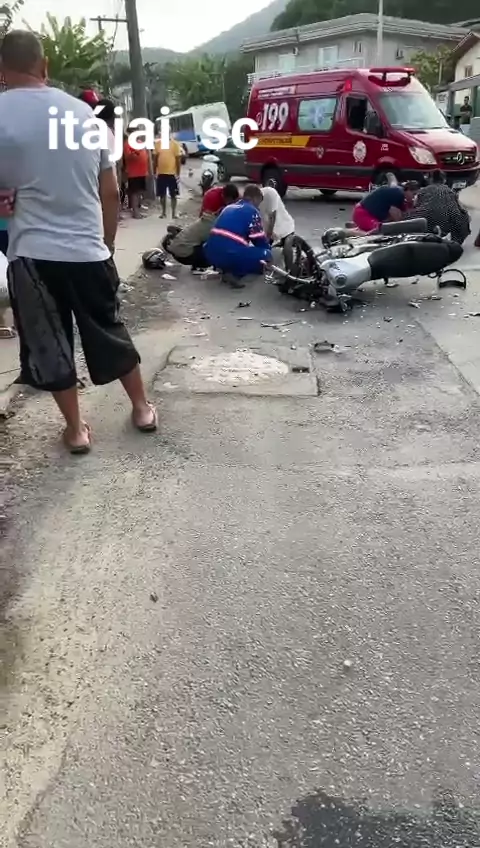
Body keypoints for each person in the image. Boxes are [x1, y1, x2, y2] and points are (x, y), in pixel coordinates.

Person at [0, 30, 157, 453]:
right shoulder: (85, 115)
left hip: (30, 255)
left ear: (1, 69)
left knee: (49, 344)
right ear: (44, 65)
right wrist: (107, 245)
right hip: (87, 248)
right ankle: (142, 407)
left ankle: (75, 430)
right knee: (109, 329)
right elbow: (111, 192)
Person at [204, 183, 272, 288]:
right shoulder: (252, 211)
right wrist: (268, 251)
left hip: (210, 253)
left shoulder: (228, 207)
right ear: (255, 198)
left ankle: (226, 269)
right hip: (229, 254)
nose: (258, 206)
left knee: (237, 247)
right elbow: (259, 241)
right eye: (259, 202)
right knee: (265, 254)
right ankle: (235, 273)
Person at [166, 183, 239, 273]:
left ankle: (181, 238)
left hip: (179, 249)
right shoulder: (213, 221)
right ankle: (199, 266)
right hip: (184, 254)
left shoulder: (210, 218)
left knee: (199, 238)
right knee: (213, 248)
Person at [405, 169, 470, 245]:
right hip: (444, 225)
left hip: (424, 224)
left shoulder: (423, 191)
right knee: (464, 216)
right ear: (444, 180)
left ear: (430, 179)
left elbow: (415, 205)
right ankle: (456, 242)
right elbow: (458, 209)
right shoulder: (450, 191)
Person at [352, 181, 418, 232]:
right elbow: (397, 219)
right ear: (408, 190)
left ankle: (357, 226)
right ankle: (351, 232)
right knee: (379, 231)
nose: (413, 197)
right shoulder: (398, 194)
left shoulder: (400, 193)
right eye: (413, 194)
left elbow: (404, 213)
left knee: (385, 226)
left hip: (363, 212)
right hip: (363, 214)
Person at [153, 130, 182, 219]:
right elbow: (155, 159)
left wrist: (178, 173)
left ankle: (174, 213)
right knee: (162, 194)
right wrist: (154, 172)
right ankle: (163, 212)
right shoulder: (158, 144)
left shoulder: (175, 144)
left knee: (174, 195)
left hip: (172, 174)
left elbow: (178, 160)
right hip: (161, 173)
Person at [123, 124, 149, 218]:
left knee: (139, 192)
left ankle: (138, 210)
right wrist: (136, 153)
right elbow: (128, 156)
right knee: (134, 192)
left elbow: (145, 155)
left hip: (142, 172)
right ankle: (135, 212)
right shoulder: (127, 144)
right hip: (133, 173)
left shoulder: (139, 142)